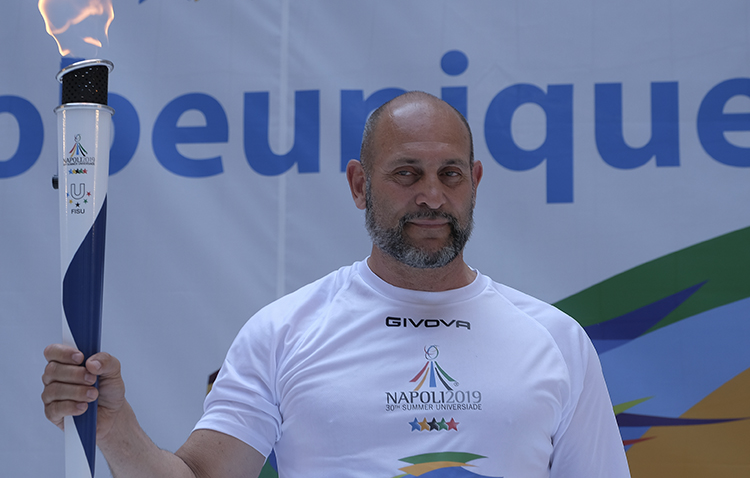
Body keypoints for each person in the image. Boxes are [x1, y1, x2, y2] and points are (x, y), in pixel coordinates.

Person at [41, 91, 631, 477]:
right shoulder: (285, 332)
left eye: (450, 174)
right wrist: (114, 423)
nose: (432, 196)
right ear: (358, 185)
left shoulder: (555, 339)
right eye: (406, 174)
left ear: (474, 182)